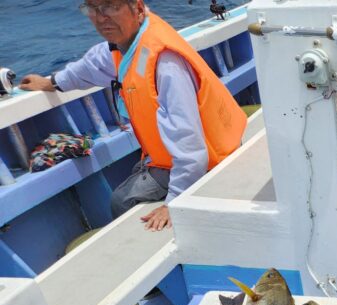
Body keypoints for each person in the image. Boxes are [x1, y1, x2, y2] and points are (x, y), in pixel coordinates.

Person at [20, 0, 246, 231]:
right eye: (92, 8)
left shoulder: (165, 63)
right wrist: (51, 82)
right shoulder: (127, 43)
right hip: (186, 155)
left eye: (110, 6)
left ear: (137, 9)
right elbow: (93, 65)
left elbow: (190, 148)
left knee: (121, 200)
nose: (100, 17)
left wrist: (174, 202)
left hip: (210, 163)